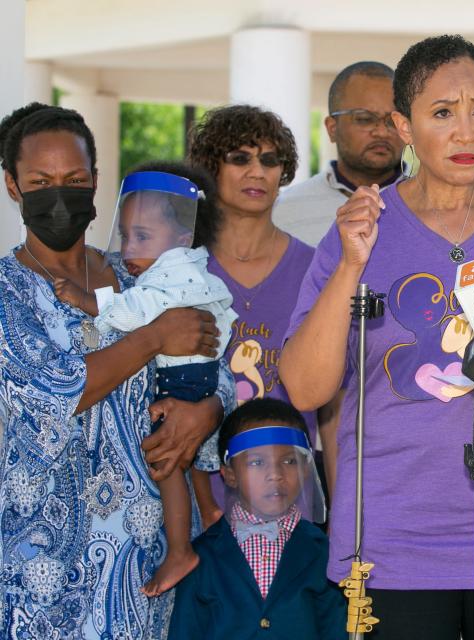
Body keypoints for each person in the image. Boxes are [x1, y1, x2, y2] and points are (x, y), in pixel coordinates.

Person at [280, 35, 474, 640]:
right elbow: (304, 388)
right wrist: (349, 264)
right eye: (443, 113)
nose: (467, 132)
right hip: (394, 540)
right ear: (404, 125)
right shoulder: (361, 230)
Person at [0, 103, 234, 638]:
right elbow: (52, 393)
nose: (58, 193)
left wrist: (208, 409)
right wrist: (154, 336)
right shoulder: (6, 293)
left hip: (152, 557)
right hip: (45, 572)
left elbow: (211, 359)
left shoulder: (141, 271)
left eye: (74, 180)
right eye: (40, 181)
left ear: (96, 182)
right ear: (13, 186)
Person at [54, 165, 237, 595]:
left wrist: (84, 300)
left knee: (166, 459)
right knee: (184, 456)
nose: (130, 246)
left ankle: (180, 550)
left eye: (142, 236)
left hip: (183, 382)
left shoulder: (164, 277)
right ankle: (208, 508)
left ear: (180, 239)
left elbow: (132, 312)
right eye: (127, 234)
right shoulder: (189, 269)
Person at [187, 105, 333, 498]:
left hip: (288, 493)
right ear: (210, 166)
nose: (257, 172)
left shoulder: (316, 270)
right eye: (240, 158)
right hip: (195, 494)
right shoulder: (180, 268)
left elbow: (333, 402)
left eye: (270, 160)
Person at [168, 397, 346, 639]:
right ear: (229, 475)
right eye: (257, 462)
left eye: (289, 461)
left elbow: (336, 629)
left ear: (306, 469)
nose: (275, 474)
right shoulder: (199, 557)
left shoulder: (325, 553)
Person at [273, 61, 404, 248]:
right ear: (332, 128)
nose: (382, 132)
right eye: (365, 119)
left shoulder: (435, 202)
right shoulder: (286, 210)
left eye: (392, 121)